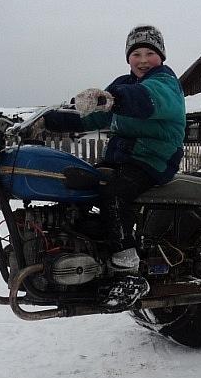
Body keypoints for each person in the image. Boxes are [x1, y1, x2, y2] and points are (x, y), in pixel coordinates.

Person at [32, 25, 186, 307]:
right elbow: (89, 117)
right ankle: (83, 252)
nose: (142, 59)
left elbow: (146, 102)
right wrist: (47, 121)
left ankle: (129, 271)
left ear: (161, 57)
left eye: (150, 53)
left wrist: (113, 100)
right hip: (123, 157)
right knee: (79, 183)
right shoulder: (123, 84)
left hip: (154, 158)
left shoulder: (164, 83)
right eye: (136, 53)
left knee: (115, 195)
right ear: (128, 58)